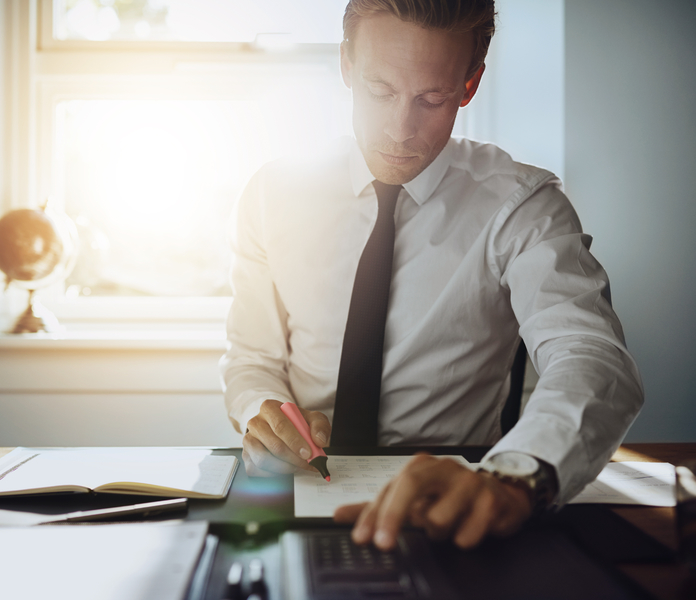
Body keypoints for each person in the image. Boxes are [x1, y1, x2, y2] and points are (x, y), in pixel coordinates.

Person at [219, 0, 643, 550]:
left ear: (469, 85)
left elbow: (590, 354)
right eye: (379, 91)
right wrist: (262, 412)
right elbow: (252, 358)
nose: (400, 129)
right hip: (291, 489)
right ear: (346, 65)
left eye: (432, 98)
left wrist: (517, 476)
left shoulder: (523, 207)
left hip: (452, 503)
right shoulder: (272, 193)